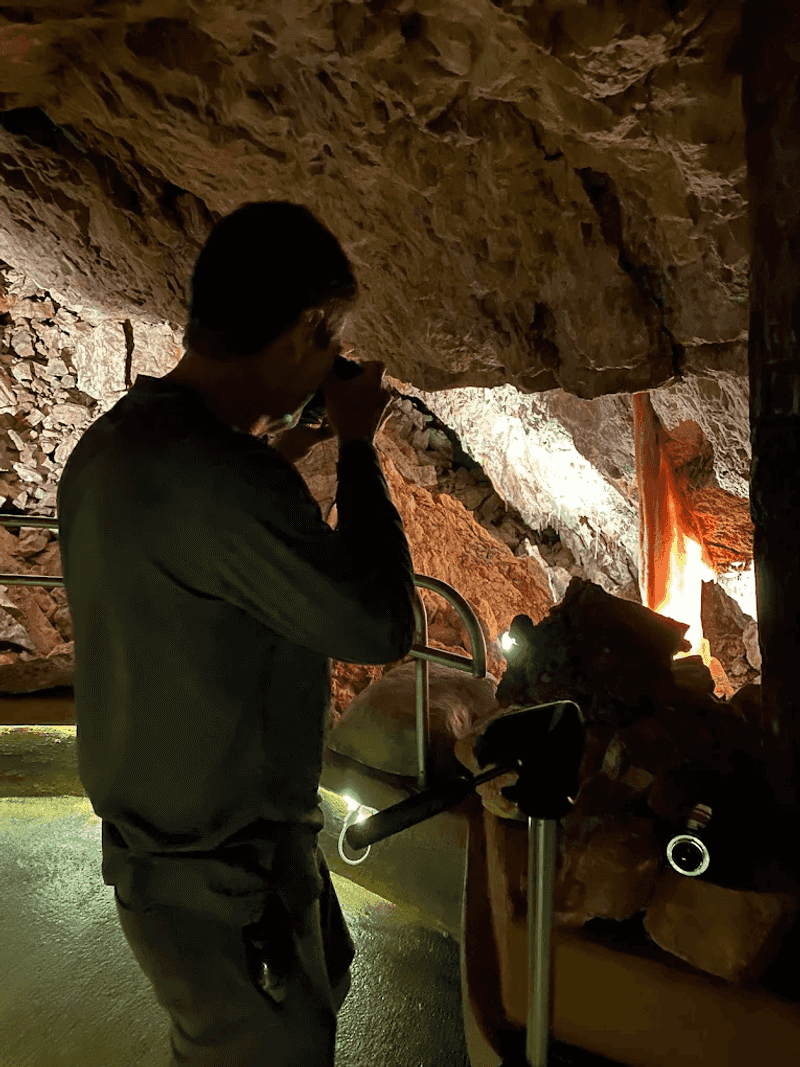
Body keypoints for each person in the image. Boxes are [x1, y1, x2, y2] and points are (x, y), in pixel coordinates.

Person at [56, 201, 417, 1066]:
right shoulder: (225, 481)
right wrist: (359, 448)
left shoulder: (110, 447)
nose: (332, 363)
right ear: (304, 330)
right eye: (331, 342)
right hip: (225, 880)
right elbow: (381, 620)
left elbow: (191, 540)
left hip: (170, 868)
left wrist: (274, 452)